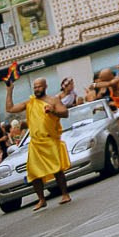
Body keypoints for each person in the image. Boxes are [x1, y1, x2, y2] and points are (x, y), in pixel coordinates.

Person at [18, 76, 70, 209]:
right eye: (35, 87)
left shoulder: (53, 100)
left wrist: (53, 111)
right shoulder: (30, 102)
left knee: (57, 169)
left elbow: (65, 113)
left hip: (50, 140)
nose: (37, 89)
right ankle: (41, 199)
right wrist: (9, 90)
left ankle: (65, 194)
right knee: (34, 173)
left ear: (45, 87)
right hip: (35, 143)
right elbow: (10, 108)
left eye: (39, 86)